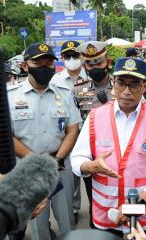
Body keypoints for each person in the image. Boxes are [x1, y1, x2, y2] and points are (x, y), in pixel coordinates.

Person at [70, 57, 146, 237]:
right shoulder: (95, 117)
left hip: (144, 215)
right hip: (106, 215)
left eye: (134, 84)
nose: (126, 91)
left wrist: (137, 205)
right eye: (121, 83)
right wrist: (90, 166)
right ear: (113, 83)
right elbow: (77, 159)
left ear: (145, 86)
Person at [7, 42, 82, 240]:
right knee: (38, 224)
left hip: (59, 166)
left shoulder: (64, 94)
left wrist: (58, 158)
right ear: (25, 66)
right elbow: (7, 135)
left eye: (48, 63)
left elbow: (72, 129)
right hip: (28, 169)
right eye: (37, 62)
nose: (43, 66)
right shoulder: (10, 97)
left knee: (67, 220)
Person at [71, 40, 114, 228]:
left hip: (121, 152)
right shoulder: (78, 89)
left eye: (99, 62)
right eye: (90, 63)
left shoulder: (121, 84)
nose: (95, 67)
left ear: (108, 62)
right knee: (95, 200)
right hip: (92, 156)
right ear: (84, 66)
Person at [50, 40, 87, 225]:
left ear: (81, 56)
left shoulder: (90, 76)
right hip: (66, 133)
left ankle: (76, 206)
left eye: (75, 55)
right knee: (69, 173)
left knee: (83, 172)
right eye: (67, 56)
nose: (72, 59)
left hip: (87, 132)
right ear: (62, 58)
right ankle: (72, 208)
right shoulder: (55, 80)